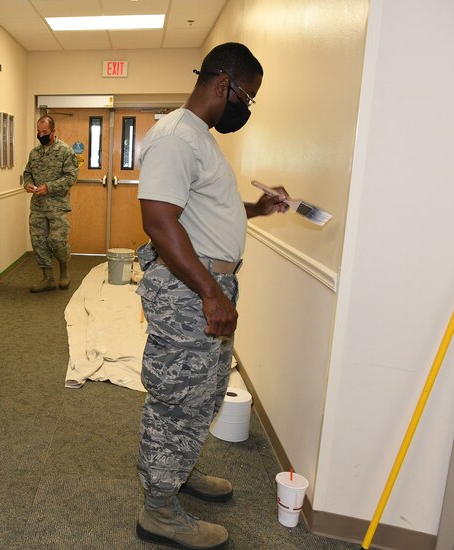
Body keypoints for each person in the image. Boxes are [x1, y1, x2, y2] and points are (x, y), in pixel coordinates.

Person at [134, 43, 289, 549]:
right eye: (248, 96)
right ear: (224, 84)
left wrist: (258, 209)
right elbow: (159, 221)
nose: (246, 107)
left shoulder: (199, 138)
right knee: (178, 398)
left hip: (205, 286)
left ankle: (180, 471)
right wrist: (210, 293)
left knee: (202, 393)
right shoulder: (177, 137)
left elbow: (207, 212)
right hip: (188, 290)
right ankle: (158, 508)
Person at [22, 115, 79, 292]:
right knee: (38, 242)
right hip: (38, 206)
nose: (41, 135)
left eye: (44, 132)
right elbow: (27, 172)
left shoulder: (65, 151)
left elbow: (71, 177)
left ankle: (64, 272)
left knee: (57, 241)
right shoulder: (35, 153)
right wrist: (28, 183)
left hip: (57, 206)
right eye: (38, 132)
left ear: (54, 132)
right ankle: (47, 278)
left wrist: (49, 187)